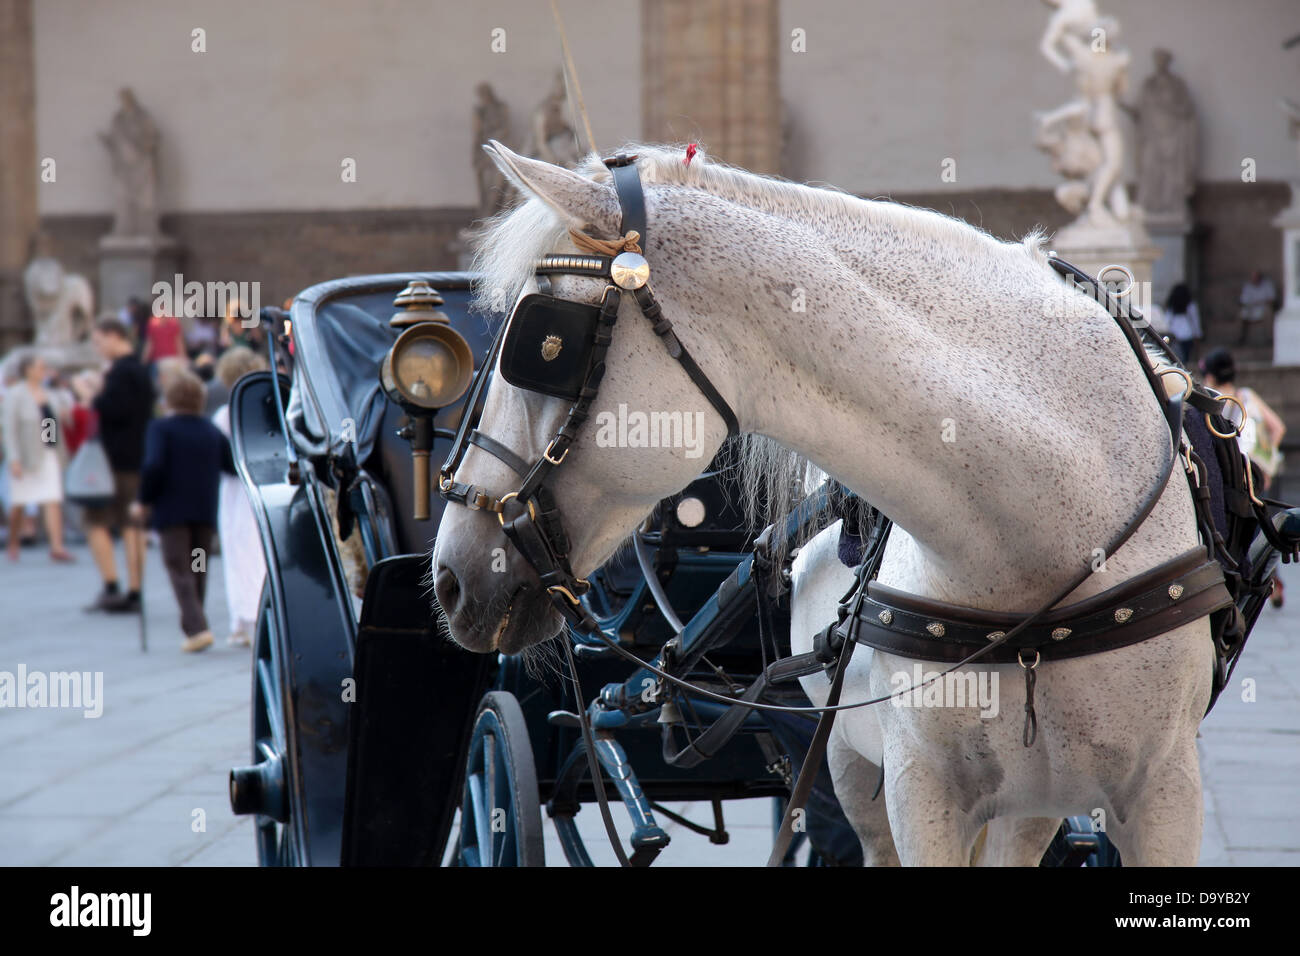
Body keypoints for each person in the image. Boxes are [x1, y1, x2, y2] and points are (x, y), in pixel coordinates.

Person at [133, 371, 235, 653]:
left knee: (179, 568)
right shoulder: (210, 430)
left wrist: (143, 500)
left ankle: (197, 627)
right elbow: (231, 464)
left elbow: (153, 466)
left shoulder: (161, 429)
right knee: (197, 567)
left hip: (172, 511)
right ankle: (196, 623)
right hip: (203, 511)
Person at [1200, 348, 1288, 607]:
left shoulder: (1215, 402)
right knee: (1267, 533)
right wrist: (1267, 465)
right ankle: (1274, 585)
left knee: (1245, 537)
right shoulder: (1247, 395)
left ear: (1211, 377)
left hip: (1239, 483)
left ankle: (1257, 584)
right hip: (1263, 477)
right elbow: (1278, 428)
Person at [84, 316, 155, 613]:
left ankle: (113, 586)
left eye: (99, 342)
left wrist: (91, 394)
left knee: (96, 521)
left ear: (114, 336)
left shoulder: (122, 372)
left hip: (114, 460)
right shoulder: (140, 370)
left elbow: (116, 411)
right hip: (136, 456)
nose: (98, 349)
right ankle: (134, 591)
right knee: (132, 525)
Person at [211, 346, 268, 646]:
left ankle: (242, 619)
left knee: (238, 551)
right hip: (261, 482)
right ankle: (253, 612)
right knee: (257, 550)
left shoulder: (226, 413)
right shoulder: (264, 404)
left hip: (235, 490)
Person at [2, 354, 73, 562]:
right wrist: (13, 458)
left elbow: (55, 421)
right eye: (40, 367)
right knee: (20, 503)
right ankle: (14, 539)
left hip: (48, 450)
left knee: (52, 499)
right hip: (26, 454)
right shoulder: (15, 395)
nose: (44, 370)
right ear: (28, 370)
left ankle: (57, 546)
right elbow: (10, 429)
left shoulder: (49, 393)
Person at [1165, 283, 1201, 365]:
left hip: (1174, 335)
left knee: (1175, 359)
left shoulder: (1171, 307)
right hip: (1187, 335)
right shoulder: (1191, 306)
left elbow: (1167, 321)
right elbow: (1195, 323)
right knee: (1185, 360)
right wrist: (1197, 337)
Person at [1239, 271, 1277, 346]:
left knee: (1269, 312)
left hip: (1263, 308)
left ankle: (1270, 339)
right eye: (1253, 277)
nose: (1255, 279)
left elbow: (1271, 299)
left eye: (1256, 277)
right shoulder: (1248, 286)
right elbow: (1243, 300)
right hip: (1251, 309)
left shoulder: (1267, 285)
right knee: (1240, 315)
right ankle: (1241, 338)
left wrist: (1260, 302)